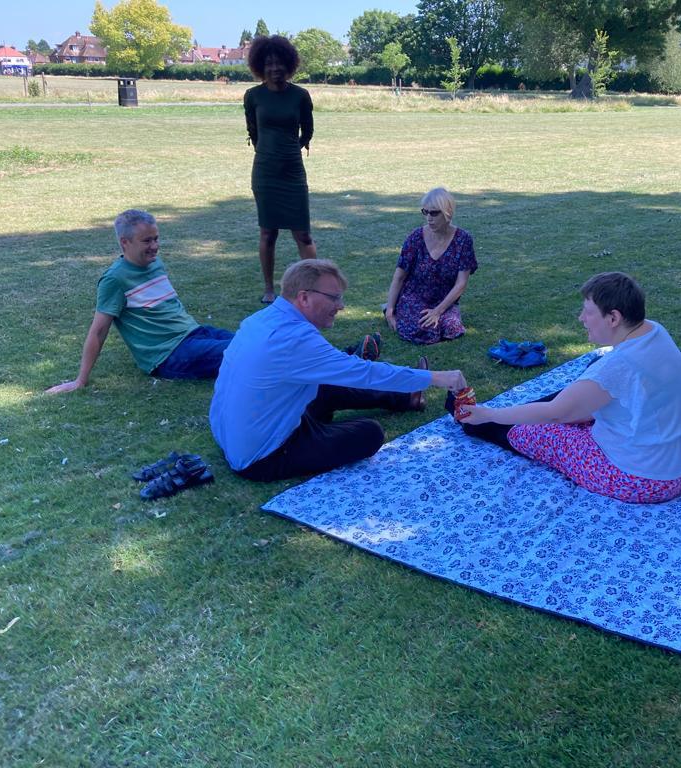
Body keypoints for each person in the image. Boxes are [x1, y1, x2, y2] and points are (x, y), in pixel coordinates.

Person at [210, 259, 467, 481]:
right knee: (369, 433)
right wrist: (436, 378)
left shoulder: (261, 319)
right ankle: (406, 394)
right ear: (304, 297)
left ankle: (405, 396)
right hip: (262, 455)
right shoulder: (296, 340)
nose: (341, 306)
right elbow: (364, 373)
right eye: (334, 297)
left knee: (328, 382)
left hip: (236, 434)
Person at [459, 272, 681, 504]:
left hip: (642, 480)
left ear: (613, 318)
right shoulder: (655, 330)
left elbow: (555, 413)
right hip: (679, 471)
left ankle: (477, 424)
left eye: (588, 312)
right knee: (575, 404)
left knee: (530, 430)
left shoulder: (616, 367)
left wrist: (490, 414)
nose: (581, 318)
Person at [46, 210, 232, 394]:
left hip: (194, 333)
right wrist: (80, 380)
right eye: (146, 241)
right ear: (125, 242)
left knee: (251, 339)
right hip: (171, 354)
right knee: (247, 352)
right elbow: (99, 331)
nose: (154, 246)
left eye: (156, 238)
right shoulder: (115, 280)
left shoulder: (155, 263)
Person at [244, 35, 317, 305]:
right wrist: (268, 154)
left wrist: (292, 149)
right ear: (261, 66)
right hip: (265, 172)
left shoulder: (300, 95)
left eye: (279, 63)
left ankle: (315, 284)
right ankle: (268, 288)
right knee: (268, 232)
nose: (275, 68)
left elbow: (307, 130)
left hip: (293, 171)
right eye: (269, 63)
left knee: (303, 233)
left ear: (289, 65)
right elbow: (253, 130)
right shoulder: (253, 96)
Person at [384, 187, 477, 344]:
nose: (429, 218)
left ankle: (439, 317)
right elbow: (399, 277)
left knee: (452, 328)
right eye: (425, 212)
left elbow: (461, 284)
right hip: (415, 296)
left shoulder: (463, 240)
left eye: (434, 213)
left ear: (447, 212)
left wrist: (438, 311)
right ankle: (397, 308)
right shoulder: (416, 238)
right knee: (423, 331)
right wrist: (390, 311)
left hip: (444, 299)